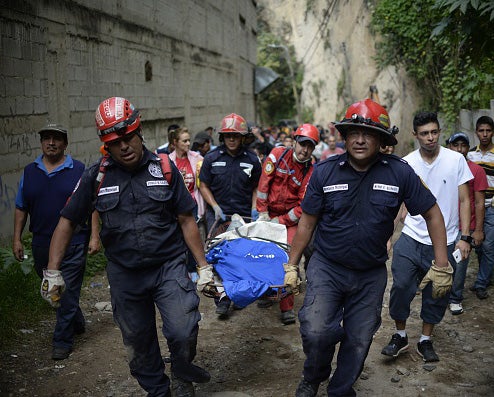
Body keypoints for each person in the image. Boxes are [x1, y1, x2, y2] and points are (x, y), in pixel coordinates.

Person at [40, 97, 214, 397]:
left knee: (183, 328)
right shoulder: (96, 176)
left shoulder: (165, 169)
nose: (123, 147)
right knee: (138, 341)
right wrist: (53, 271)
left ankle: (182, 371)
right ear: (105, 144)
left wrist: (203, 267)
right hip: (125, 274)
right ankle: (159, 391)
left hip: (168, 266)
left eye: (127, 138)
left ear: (139, 131)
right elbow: (67, 222)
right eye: (114, 142)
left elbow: (186, 219)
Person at [282, 99, 451, 397]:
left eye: (369, 133)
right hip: (327, 267)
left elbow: (433, 214)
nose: (360, 140)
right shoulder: (325, 172)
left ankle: (341, 389)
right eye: (353, 133)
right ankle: (314, 375)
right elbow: (306, 223)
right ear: (345, 137)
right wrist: (292, 266)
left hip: (370, 274)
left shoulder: (399, 172)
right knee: (317, 330)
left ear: (382, 140)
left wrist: (441, 263)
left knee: (359, 339)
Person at [382, 111, 472, 364]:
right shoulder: (407, 163)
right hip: (412, 235)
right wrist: (388, 236)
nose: (430, 138)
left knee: (438, 292)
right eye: (424, 133)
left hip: (446, 239)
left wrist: (465, 237)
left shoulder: (455, 160)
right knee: (400, 286)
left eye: (434, 132)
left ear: (439, 132)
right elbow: (398, 204)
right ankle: (400, 335)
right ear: (415, 135)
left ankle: (425, 339)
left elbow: (465, 199)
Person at [13, 124, 100, 360]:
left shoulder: (79, 170)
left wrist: (94, 235)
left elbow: (91, 206)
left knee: (67, 291)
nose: (51, 143)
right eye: (46, 138)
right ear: (41, 142)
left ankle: (62, 341)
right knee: (52, 288)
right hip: (41, 243)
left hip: (74, 243)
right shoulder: (30, 172)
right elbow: (21, 207)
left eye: (57, 139)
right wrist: (17, 239)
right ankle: (76, 319)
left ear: (65, 143)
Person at [199, 112, 262, 318]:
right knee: (218, 256)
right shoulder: (211, 158)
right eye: (228, 136)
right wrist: (215, 206)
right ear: (222, 137)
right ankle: (222, 298)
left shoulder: (252, 159)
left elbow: (256, 188)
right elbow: (204, 185)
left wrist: (254, 208)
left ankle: (238, 292)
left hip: (243, 215)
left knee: (242, 257)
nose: (232, 139)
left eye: (235, 135)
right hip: (217, 216)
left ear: (243, 137)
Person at [256, 124, 319, 325]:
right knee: (264, 253)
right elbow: (264, 184)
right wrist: (263, 212)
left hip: (291, 220)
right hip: (268, 213)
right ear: (294, 142)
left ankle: (286, 306)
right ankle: (266, 293)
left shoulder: (311, 170)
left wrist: (281, 221)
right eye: (302, 144)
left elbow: (303, 205)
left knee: (288, 257)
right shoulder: (276, 155)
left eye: (310, 146)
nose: (305, 150)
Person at [446, 131, 488, 313]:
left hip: (464, 226)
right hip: (443, 223)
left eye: (463, 145)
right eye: (456, 145)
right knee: (440, 260)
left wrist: (477, 230)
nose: (460, 149)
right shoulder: (443, 167)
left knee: (460, 263)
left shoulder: (476, 170)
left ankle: (455, 298)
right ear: (449, 146)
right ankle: (439, 295)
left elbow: (479, 202)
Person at [169, 127, 206, 281]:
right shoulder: (168, 161)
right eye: (184, 141)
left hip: (193, 204)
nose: (188, 143)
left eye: (189, 140)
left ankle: (194, 269)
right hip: (175, 206)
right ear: (175, 143)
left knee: (194, 237)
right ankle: (179, 272)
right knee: (177, 240)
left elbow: (202, 183)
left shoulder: (197, 158)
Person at [467, 115, 494, 299]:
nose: (485, 134)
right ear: (476, 132)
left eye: (488, 130)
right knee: (477, 244)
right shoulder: (470, 154)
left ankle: (481, 283)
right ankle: (486, 276)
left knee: (489, 246)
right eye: (481, 131)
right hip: (474, 206)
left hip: (491, 206)